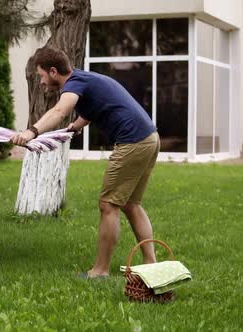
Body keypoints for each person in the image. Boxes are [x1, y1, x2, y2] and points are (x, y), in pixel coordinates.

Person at [11, 47, 161, 279]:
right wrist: (76, 126)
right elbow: (95, 107)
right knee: (131, 203)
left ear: (53, 71)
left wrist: (32, 131)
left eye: (41, 76)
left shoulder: (73, 84)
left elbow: (60, 110)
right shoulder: (84, 79)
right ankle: (151, 264)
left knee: (108, 205)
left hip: (133, 141)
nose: (40, 82)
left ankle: (100, 271)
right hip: (149, 138)